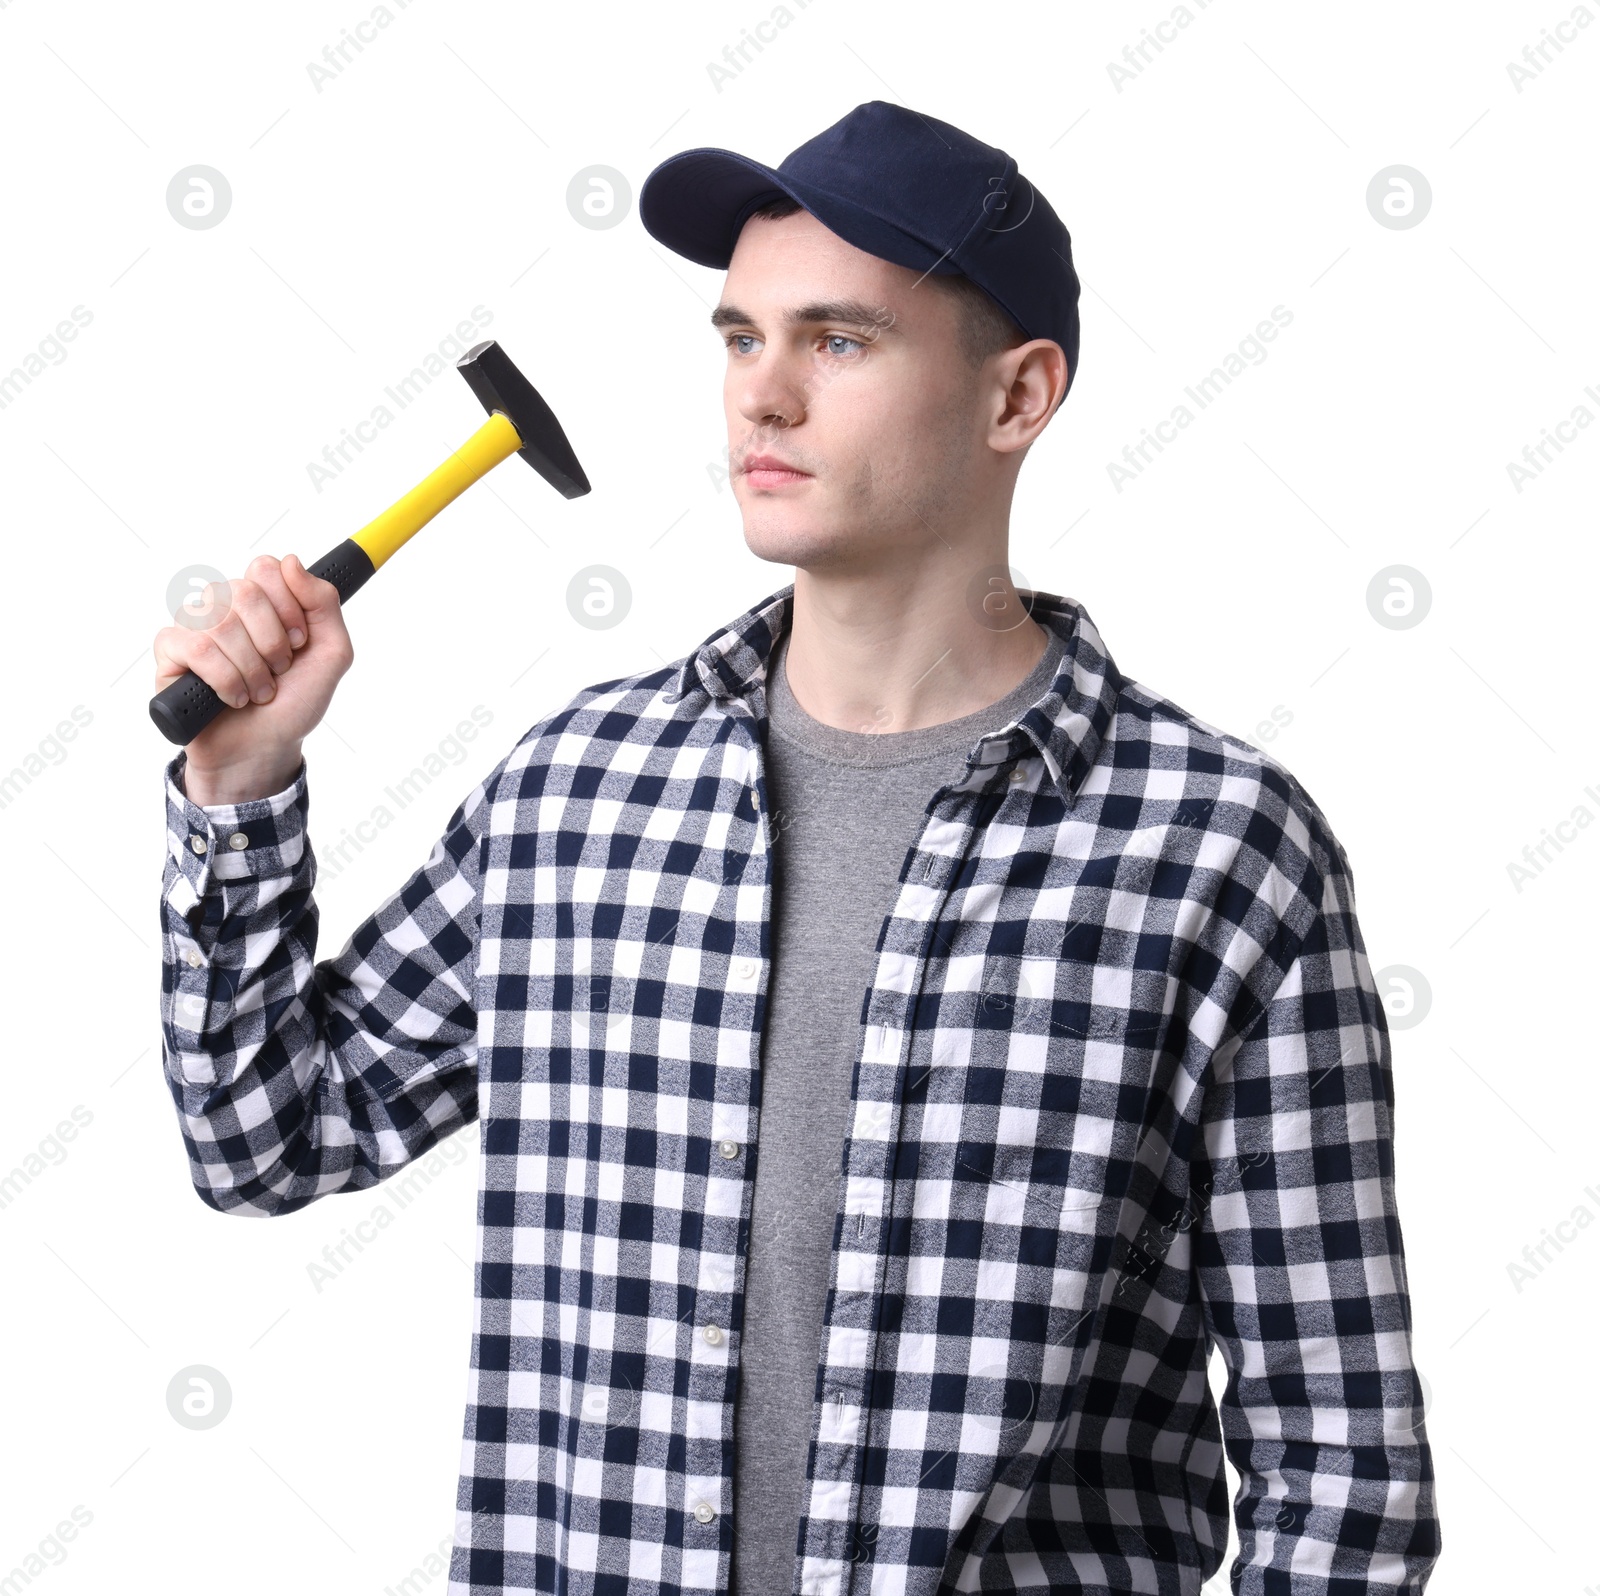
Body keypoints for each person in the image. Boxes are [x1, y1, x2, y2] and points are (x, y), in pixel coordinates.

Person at [153, 101, 1440, 1594]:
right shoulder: (580, 795)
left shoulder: (1216, 852)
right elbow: (265, 1138)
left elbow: (1339, 1463)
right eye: (737, 338)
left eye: (837, 341)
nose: (761, 399)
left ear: (1018, 396)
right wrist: (241, 787)